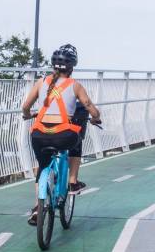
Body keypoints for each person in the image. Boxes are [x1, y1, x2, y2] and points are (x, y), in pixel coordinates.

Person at [21, 44, 101, 225]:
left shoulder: (41, 82)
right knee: (77, 136)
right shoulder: (75, 85)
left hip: (39, 134)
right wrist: (97, 117)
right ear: (72, 67)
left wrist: (27, 116)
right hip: (63, 135)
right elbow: (89, 107)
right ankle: (72, 181)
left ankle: (37, 207)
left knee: (43, 166)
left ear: (53, 66)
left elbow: (25, 107)